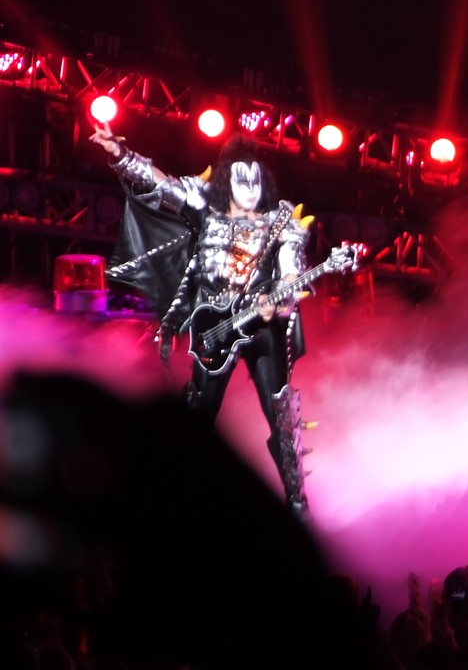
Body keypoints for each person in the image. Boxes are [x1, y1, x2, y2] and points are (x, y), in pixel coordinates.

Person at [90, 123, 315, 517]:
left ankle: (297, 503)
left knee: (281, 411)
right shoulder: (205, 204)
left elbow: (291, 271)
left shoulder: (282, 221)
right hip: (214, 324)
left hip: (261, 326)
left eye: (256, 180)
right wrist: (120, 154)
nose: (251, 189)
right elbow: (163, 185)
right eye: (242, 180)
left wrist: (280, 300)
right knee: (199, 412)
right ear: (227, 180)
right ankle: (174, 496)